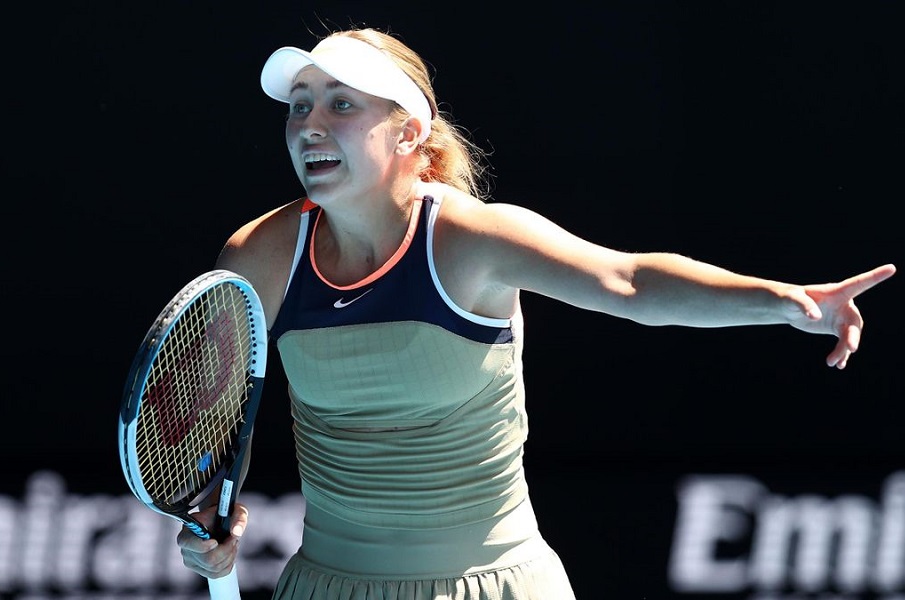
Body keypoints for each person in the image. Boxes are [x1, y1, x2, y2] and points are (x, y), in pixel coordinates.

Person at [175, 26, 896, 599]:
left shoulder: (472, 241)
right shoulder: (260, 255)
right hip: (328, 585)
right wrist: (209, 515)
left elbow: (629, 281)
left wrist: (783, 301)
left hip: (493, 587)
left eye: (341, 104)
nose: (309, 124)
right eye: (299, 105)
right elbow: (210, 420)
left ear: (409, 132)